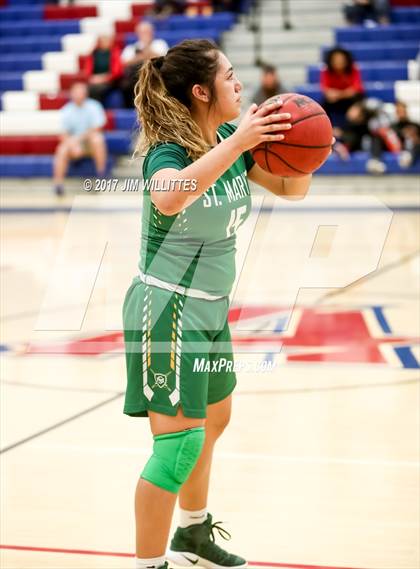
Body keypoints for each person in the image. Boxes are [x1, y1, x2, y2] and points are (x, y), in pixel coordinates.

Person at [122, 39, 321, 569]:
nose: (240, 85)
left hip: (210, 308)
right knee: (177, 447)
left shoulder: (233, 139)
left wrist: (304, 143)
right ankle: (149, 564)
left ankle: (191, 535)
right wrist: (238, 145)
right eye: (231, 77)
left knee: (214, 422)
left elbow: (291, 188)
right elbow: (168, 195)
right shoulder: (170, 150)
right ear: (201, 91)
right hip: (166, 309)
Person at [53, 82, 107, 196]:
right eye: (76, 92)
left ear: (86, 94)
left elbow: (97, 128)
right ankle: (58, 184)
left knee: (97, 139)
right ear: (71, 94)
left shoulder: (94, 106)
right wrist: (72, 145)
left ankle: (101, 176)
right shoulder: (66, 110)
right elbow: (63, 134)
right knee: (61, 149)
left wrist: (78, 140)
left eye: (81, 92)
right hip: (74, 144)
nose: (78, 95)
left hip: (88, 143)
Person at [120, 21, 169, 108]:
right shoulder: (131, 48)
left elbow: (164, 59)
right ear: (137, 33)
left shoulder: (160, 44)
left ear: (152, 32)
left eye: (147, 31)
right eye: (142, 32)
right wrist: (142, 57)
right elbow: (124, 63)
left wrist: (146, 49)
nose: (145, 34)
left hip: (156, 76)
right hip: (135, 79)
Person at [320, 47, 365, 127]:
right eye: (336, 59)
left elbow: (355, 90)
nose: (339, 61)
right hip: (335, 101)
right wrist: (345, 93)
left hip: (354, 100)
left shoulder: (354, 69)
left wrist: (338, 94)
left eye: (341, 59)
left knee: (359, 111)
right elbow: (327, 92)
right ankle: (328, 129)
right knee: (321, 108)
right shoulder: (326, 71)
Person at [83, 35, 122, 105]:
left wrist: (103, 78)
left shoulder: (114, 52)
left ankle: (97, 107)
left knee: (96, 89)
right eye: (103, 41)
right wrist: (92, 78)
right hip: (94, 80)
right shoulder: (93, 53)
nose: (106, 43)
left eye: (107, 41)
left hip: (110, 81)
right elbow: (87, 71)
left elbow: (117, 72)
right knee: (88, 89)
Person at [393, 101, 420, 169]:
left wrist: (414, 137)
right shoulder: (393, 127)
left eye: (403, 111)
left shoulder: (415, 125)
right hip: (398, 148)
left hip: (414, 148)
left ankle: (409, 155)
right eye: (399, 111)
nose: (402, 113)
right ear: (396, 113)